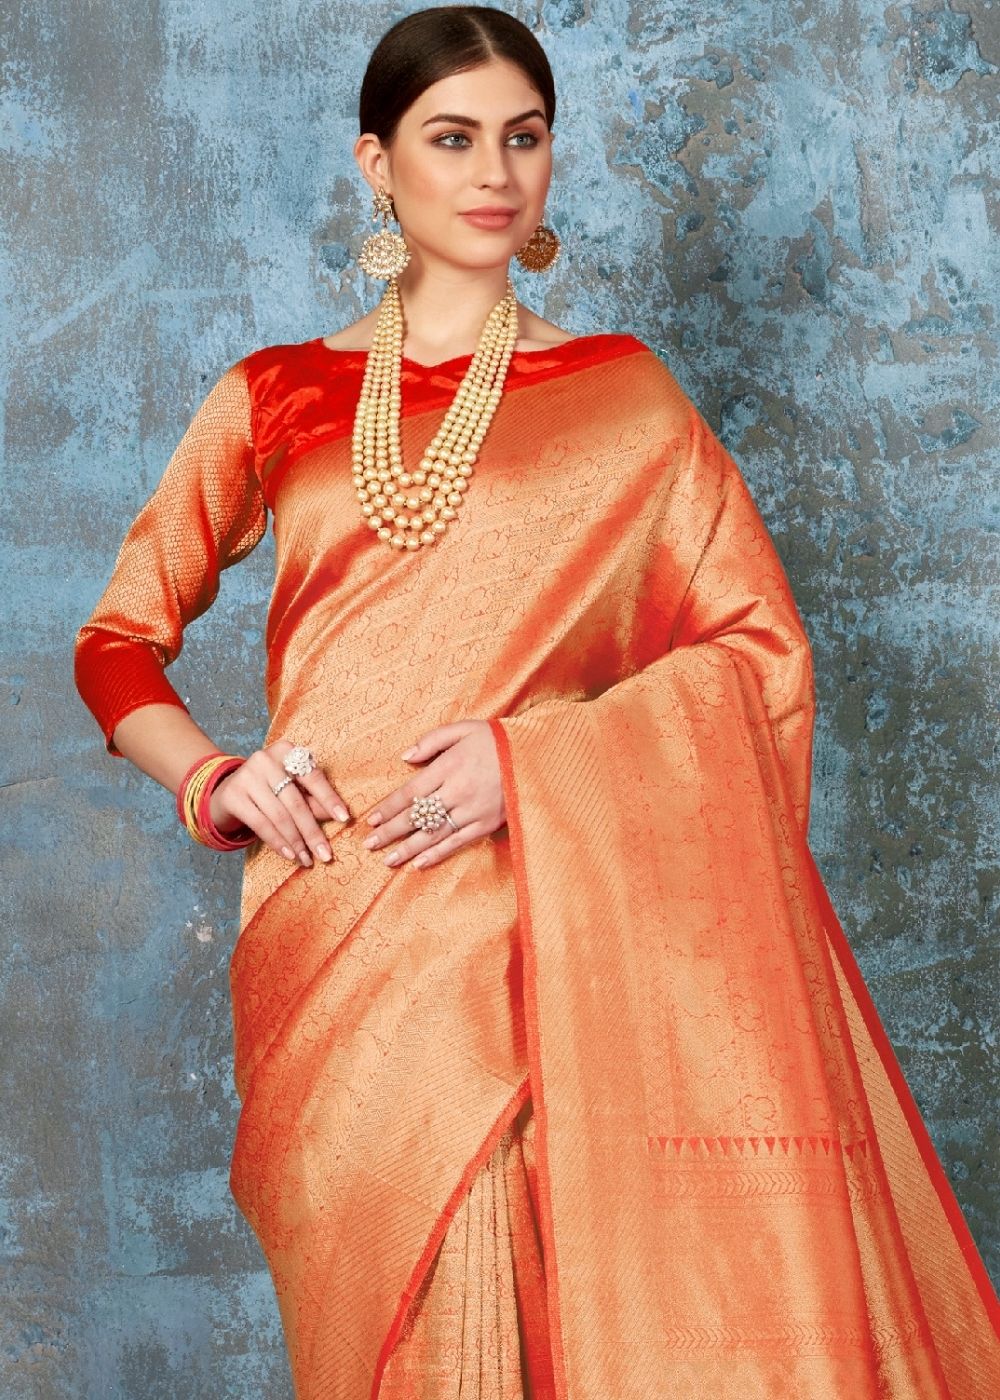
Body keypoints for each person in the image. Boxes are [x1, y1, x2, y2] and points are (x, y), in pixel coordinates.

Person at [73, 6, 999, 1397]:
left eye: (525, 137)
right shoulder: (278, 395)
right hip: (332, 926)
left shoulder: (625, 400)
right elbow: (116, 641)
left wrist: (536, 766)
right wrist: (216, 780)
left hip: (540, 930)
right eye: (452, 139)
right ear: (377, 163)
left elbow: (759, 660)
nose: (495, 172)